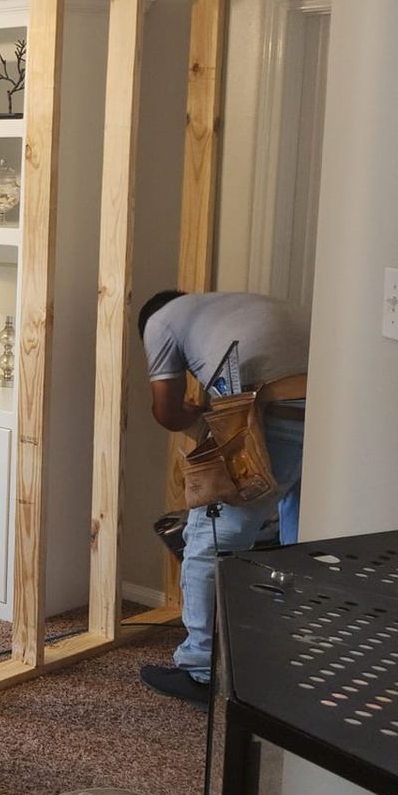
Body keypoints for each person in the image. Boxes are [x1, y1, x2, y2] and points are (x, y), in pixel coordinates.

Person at [136, 289, 309, 703]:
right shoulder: (236, 303)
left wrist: (194, 417)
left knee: (210, 540)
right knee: (302, 541)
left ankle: (200, 672)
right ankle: (293, 656)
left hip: (274, 417)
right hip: (336, 408)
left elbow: (167, 412)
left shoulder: (160, 323)